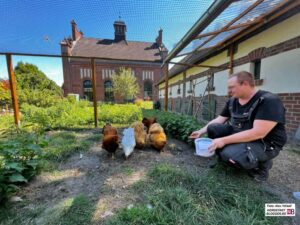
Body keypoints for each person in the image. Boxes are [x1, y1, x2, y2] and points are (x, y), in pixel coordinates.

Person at [189, 71, 287, 182]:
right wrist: (201, 131)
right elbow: (220, 119)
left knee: (229, 154)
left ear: (245, 84)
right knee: (213, 128)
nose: (229, 91)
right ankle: (229, 158)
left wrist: (224, 140)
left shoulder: (268, 101)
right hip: (240, 133)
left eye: (232, 87)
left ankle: (262, 165)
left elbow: (258, 133)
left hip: (264, 142)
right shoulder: (233, 101)